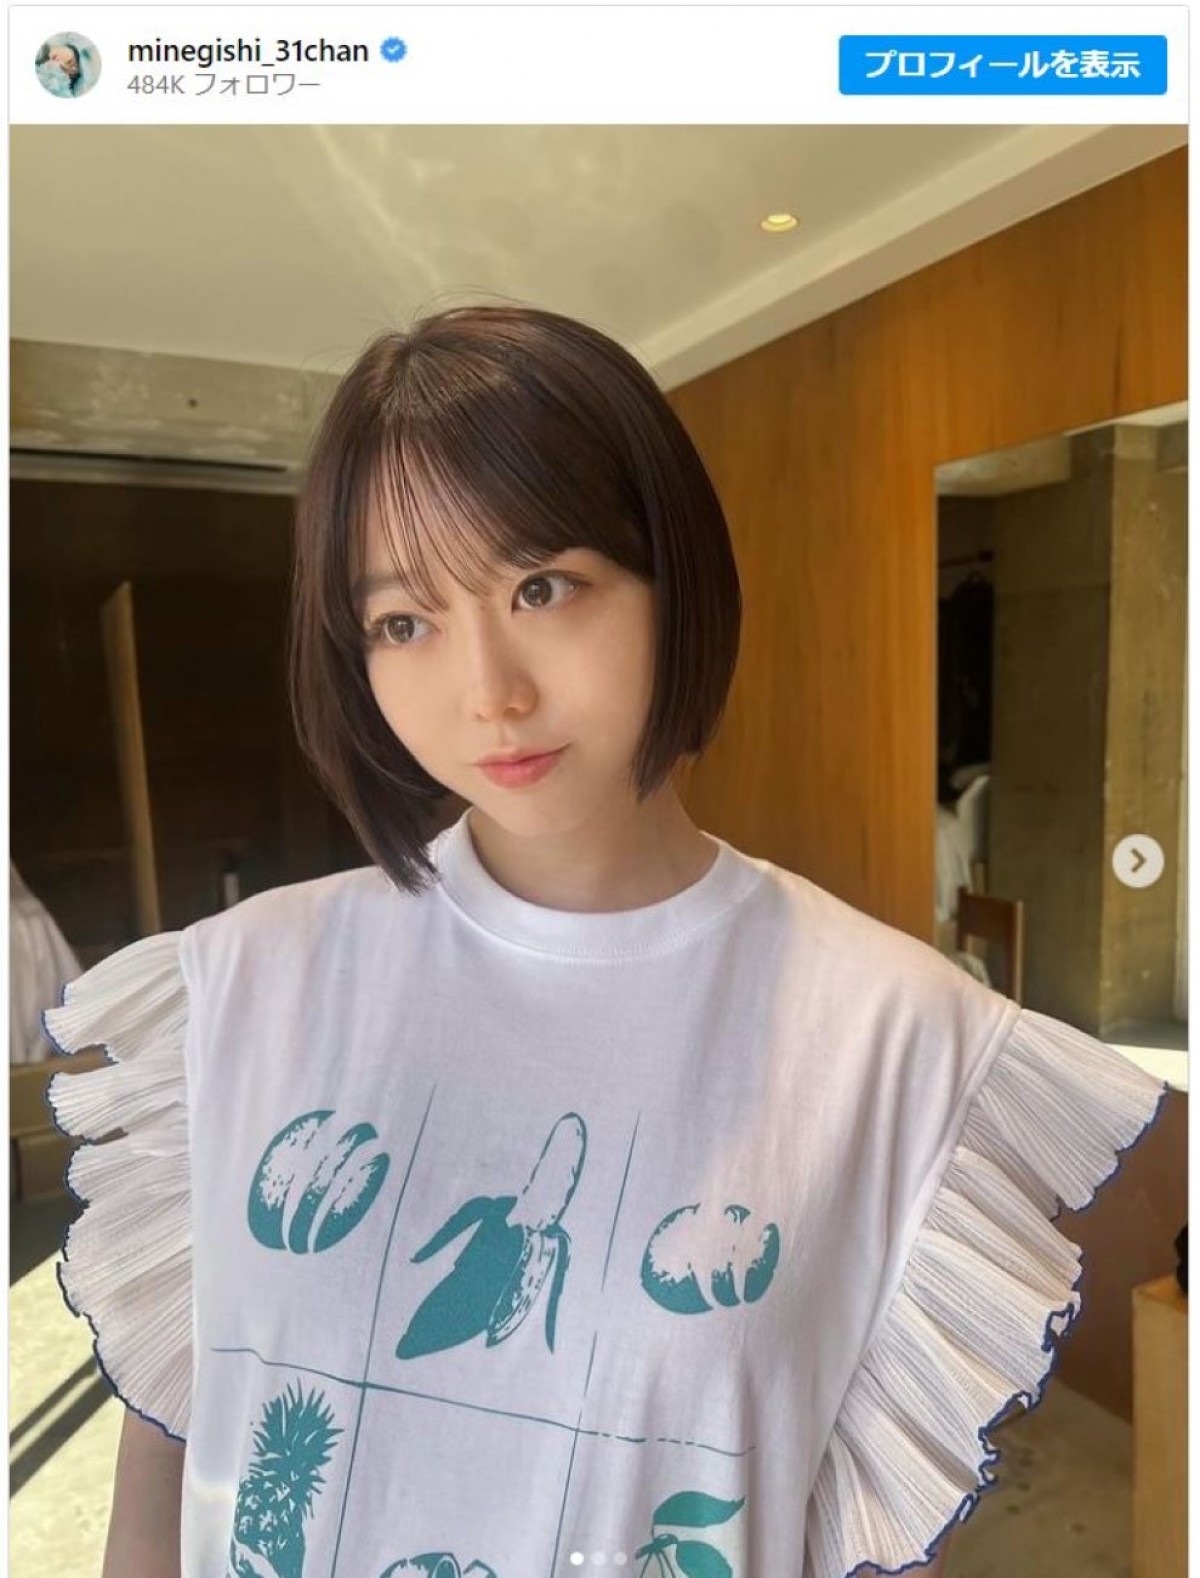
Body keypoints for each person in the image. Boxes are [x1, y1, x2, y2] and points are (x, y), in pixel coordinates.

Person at [45, 305, 1167, 1578]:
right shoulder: (239, 989)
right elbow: (169, 1475)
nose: (490, 692)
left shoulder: (901, 1037)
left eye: (542, 587)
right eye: (404, 621)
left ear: (672, 579)